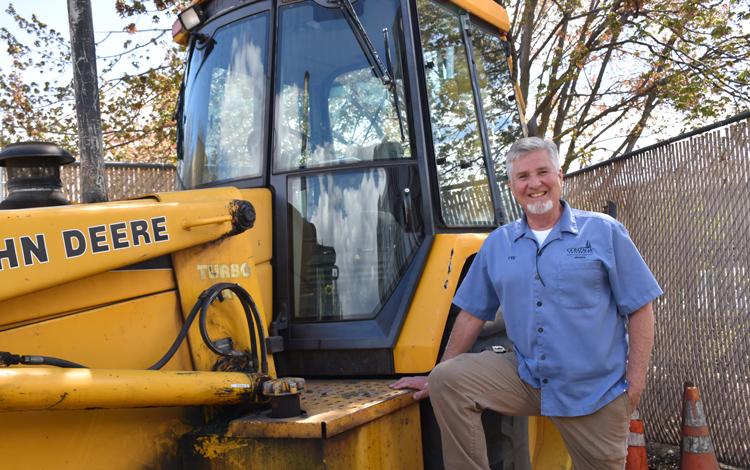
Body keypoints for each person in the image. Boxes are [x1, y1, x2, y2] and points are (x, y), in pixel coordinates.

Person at [391, 137, 662, 470]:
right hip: (528, 378)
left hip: (595, 393)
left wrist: (633, 385)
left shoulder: (604, 232)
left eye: (542, 172)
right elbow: (472, 315)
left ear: (559, 176)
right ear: (512, 185)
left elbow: (640, 308)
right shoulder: (498, 243)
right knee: (448, 379)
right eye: (523, 176)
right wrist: (435, 373)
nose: (534, 184)